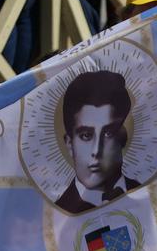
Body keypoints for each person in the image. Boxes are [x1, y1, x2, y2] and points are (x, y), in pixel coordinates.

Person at [56, 70, 139, 214]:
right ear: (69, 144)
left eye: (108, 133)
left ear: (123, 136)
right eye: (86, 135)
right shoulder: (53, 218)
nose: (96, 151)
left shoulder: (156, 194)